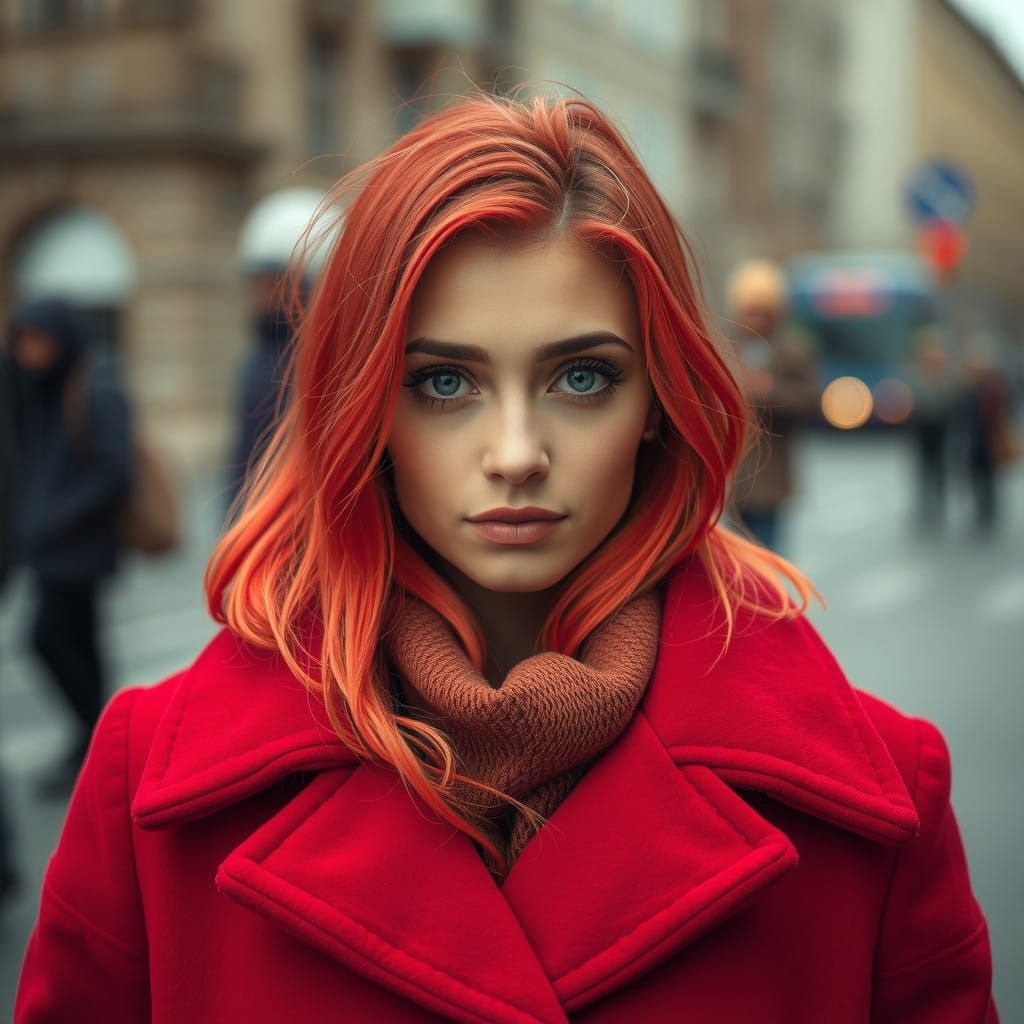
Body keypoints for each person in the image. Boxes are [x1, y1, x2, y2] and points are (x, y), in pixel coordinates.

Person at [16, 93, 996, 1022]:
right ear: (365, 409)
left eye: (581, 376)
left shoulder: (880, 810)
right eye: (444, 380)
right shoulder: (147, 795)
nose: (517, 453)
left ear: (657, 400)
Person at [5, 297, 133, 799]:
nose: (28, 352)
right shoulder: (39, 389)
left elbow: (114, 470)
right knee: (81, 645)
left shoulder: (93, 387)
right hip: (51, 549)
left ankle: (93, 740)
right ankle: (98, 747)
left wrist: (60, 517)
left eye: (39, 339)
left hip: (77, 549)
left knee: (48, 638)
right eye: (22, 340)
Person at [725, 259, 819, 552]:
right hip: (733, 476)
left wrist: (770, 391)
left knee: (767, 558)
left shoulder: (794, 350)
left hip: (772, 471)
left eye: (761, 313)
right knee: (736, 562)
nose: (755, 320)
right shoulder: (726, 346)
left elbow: (809, 400)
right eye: (750, 312)